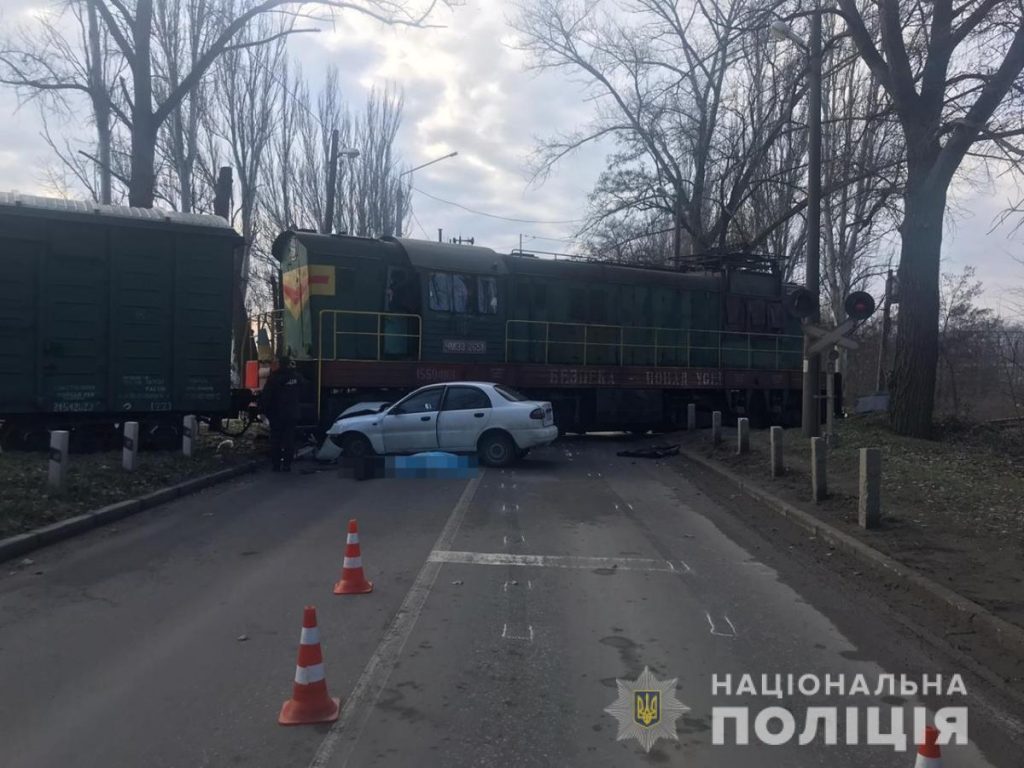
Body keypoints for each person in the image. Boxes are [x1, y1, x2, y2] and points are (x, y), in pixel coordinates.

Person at [260, 355, 303, 472]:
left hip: (277, 414)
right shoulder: (296, 377)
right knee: (289, 439)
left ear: (280, 364)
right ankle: (287, 465)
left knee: (276, 440)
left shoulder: (274, 378)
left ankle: (276, 465)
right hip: (292, 414)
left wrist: (262, 410)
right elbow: (304, 387)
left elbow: (266, 396)